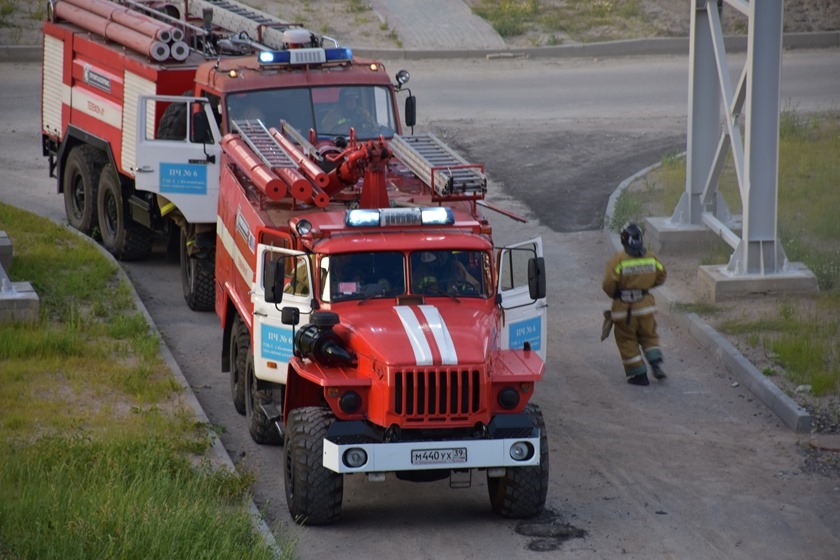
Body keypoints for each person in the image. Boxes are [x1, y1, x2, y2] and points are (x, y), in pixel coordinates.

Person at [602, 223, 667, 386]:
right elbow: (661, 275)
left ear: (624, 240)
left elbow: (608, 284)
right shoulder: (651, 257)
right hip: (646, 306)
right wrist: (645, 287)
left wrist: (616, 295)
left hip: (625, 309)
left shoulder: (618, 260)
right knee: (649, 335)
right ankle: (655, 364)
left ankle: (639, 374)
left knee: (626, 339)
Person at [413, 250, 480, 295]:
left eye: (442, 254)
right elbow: (413, 291)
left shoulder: (456, 268)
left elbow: (475, 286)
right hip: (428, 306)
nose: (432, 265)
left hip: (455, 305)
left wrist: (467, 292)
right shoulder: (422, 270)